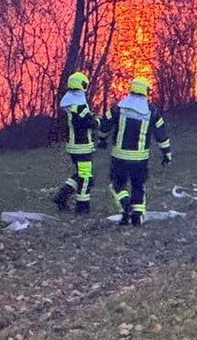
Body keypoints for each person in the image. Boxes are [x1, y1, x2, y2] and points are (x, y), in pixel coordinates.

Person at [99, 78, 173, 227]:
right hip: (140, 158)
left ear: (131, 90)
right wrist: (167, 153)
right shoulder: (152, 112)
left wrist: (102, 139)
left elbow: (104, 125)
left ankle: (126, 205)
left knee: (117, 184)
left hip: (119, 156)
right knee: (138, 185)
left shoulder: (118, 108)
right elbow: (161, 134)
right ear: (146, 92)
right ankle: (137, 217)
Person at [52, 71, 98, 215]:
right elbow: (92, 123)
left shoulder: (68, 105)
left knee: (80, 174)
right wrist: (100, 121)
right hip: (82, 146)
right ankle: (82, 207)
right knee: (86, 178)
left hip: (73, 146)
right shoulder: (80, 107)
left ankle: (62, 196)